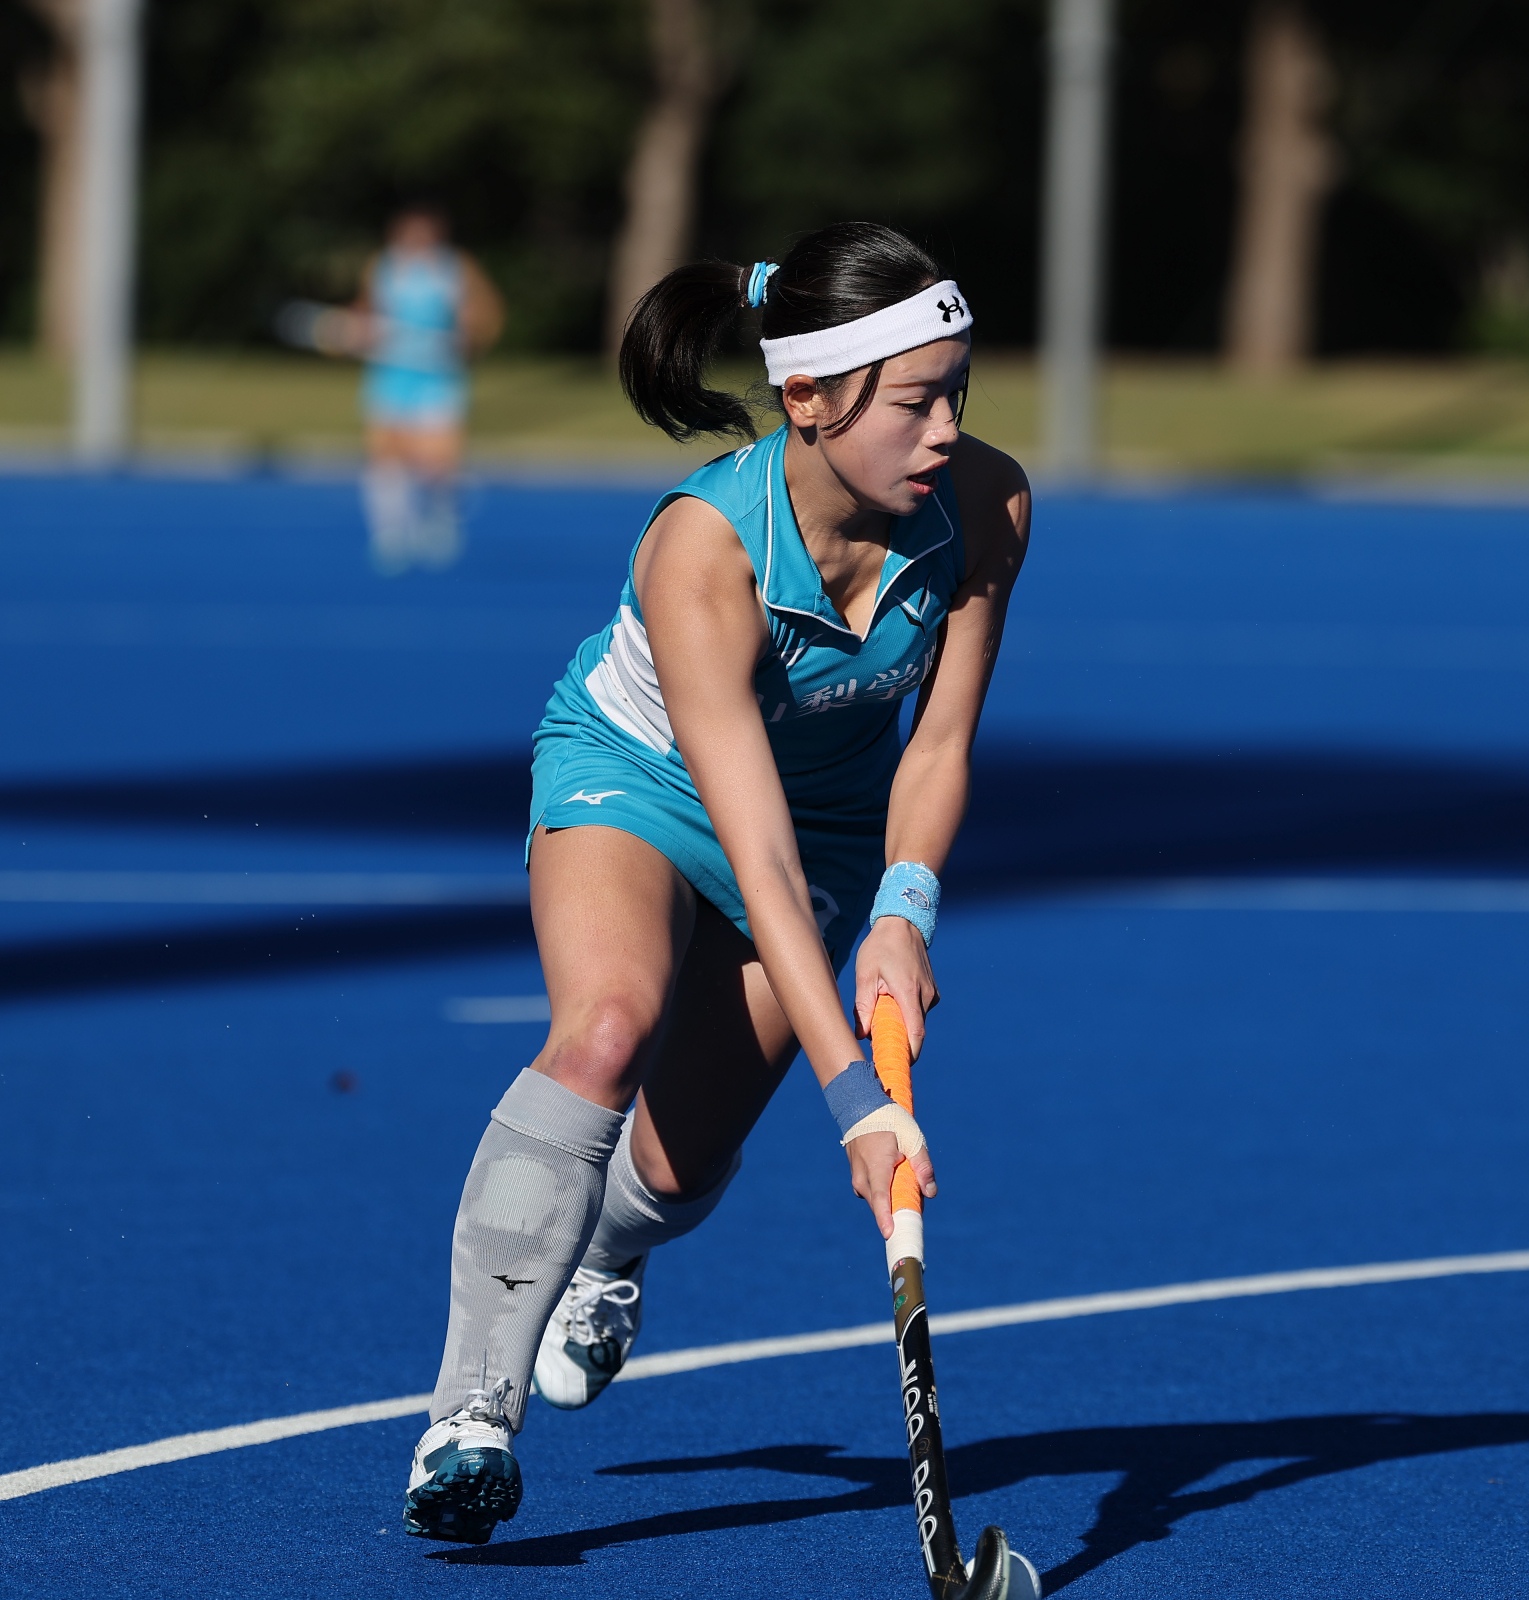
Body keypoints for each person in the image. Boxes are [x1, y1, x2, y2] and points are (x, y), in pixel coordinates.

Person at [402, 221, 1032, 1545]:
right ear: (808, 402)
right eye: (916, 402)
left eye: (959, 394)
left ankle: (607, 1252)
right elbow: (753, 853)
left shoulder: (987, 504)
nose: (946, 430)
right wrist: (858, 1100)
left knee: (679, 1164)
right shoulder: (705, 550)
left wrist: (904, 911)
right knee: (607, 1028)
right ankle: (467, 1417)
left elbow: (939, 746)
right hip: (638, 776)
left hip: (835, 818)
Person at [354, 203, 503, 573]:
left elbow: (484, 316)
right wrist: (361, 330)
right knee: (386, 457)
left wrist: (466, 337)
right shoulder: (383, 267)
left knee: (438, 462)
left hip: (437, 378)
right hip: (391, 376)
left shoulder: (455, 268)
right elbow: (365, 312)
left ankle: (440, 523)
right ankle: (389, 533)